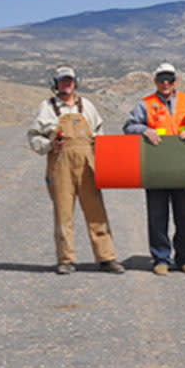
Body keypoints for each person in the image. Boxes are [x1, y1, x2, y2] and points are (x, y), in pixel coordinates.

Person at [27, 65, 124, 275]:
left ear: (76, 82)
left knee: (96, 211)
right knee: (63, 214)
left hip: (88, 166)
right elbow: (34, 135)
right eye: (62, 81)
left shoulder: (86, 106)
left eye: (69, 80)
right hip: (60, 165)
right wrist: (49, 145)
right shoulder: (47, 107)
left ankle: (106, 258)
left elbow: (99, 132)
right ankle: (65, 259)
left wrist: (104, 156)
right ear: (56, 84)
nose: (66, 84)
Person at [122, 63, 185, 275]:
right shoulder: (145, 104)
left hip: (182, 168)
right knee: (158, 216)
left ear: (176, 81)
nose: (166, 83)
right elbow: (128, 126)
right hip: (156, 168)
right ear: (155, 81)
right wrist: (145, 130)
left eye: (170, 79)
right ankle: (161, 259)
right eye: (162, 79)